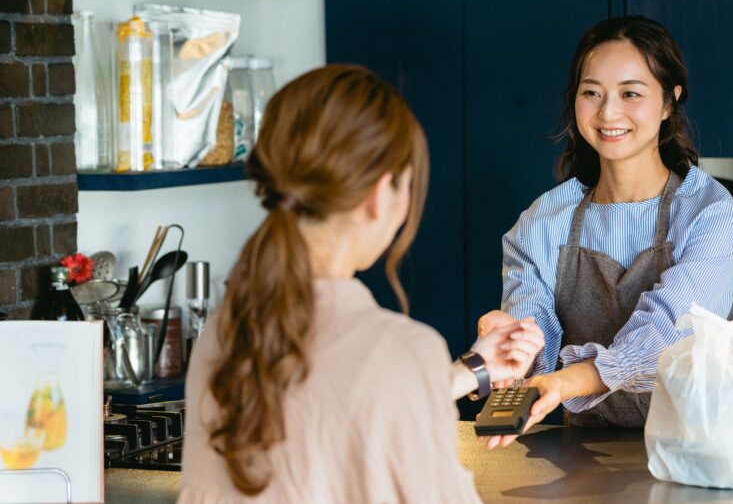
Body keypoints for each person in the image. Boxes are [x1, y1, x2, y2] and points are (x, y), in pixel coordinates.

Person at [179, 65, 544, 502]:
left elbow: (329, 407)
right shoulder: (400, 350)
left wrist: (474, 369)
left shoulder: (224, 332)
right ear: (379, 193)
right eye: (407, 184)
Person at [478, 15, 733, 443]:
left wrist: (569, 382)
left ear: (668, 102)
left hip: (696, 451)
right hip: (583, 455)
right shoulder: (543, 221)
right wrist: (517, 344)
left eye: (630, 93)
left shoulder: (709, 214)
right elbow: (536, 333)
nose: (608, 112)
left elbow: (667, 335)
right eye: (592, 93)